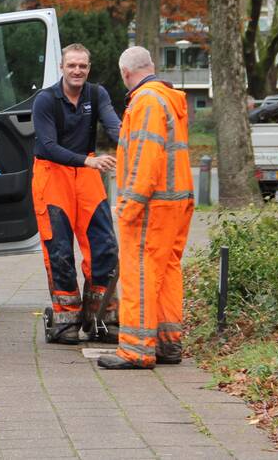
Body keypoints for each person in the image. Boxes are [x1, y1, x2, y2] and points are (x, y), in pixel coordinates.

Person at [99, 46, 194, 370]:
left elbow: (145, 157)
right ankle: (168, 343)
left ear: (125, 73)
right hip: (175, 201)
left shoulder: (145, 101)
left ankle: (136, 350)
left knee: (139, 273)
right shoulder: (167, 98)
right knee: (167, 271)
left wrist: (129, 205)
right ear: (150, 66)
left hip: (152, 206)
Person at [31, 43, 121, 344]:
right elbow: (48, 146)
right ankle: (65, 320)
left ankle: (102, 317)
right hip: (52, 175)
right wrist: (87, 161)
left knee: (104, 246)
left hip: (87, 175)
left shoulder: (96, 95)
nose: (77, 70)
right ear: (62, 67)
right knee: (60, 251)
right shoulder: (45, 100)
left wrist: (131, 141)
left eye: (82, 66)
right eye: (72, 65)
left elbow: (114, 126)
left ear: (89, 68)